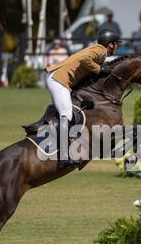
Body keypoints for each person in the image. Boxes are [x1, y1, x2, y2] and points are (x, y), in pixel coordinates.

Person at [44, 29, 121, 167]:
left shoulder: (99, 51)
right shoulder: (100, 50)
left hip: (58, 78)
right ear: (110, 44)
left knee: (70, 111)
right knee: (66, 114)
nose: (117, 47)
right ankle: (62, 157)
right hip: (58, 80)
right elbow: (84, 59)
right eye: (116, 44)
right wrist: (99, 69)